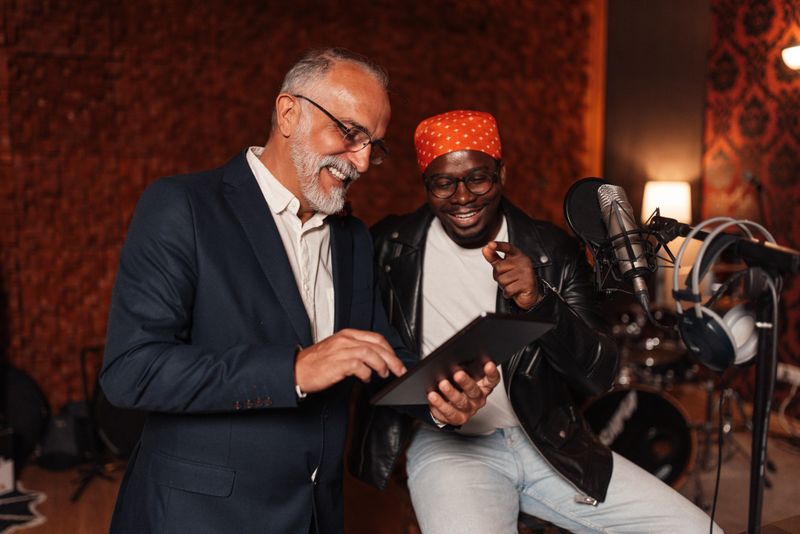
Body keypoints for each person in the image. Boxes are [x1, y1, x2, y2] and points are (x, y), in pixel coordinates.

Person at [100, 51, 498, 534]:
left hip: (315, 515)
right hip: (198, 516)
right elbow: (131, 371)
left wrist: (439, 396)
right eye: (350, 134)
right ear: (289, 113)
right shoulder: (181, 206)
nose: (364, 162)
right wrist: (293, 370)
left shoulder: (352, 237)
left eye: (374, 145)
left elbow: (378, 354)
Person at [349, 110, 722, 533]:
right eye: (443, 182)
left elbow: (598, 375)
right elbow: (367, 358)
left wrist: (540, 300)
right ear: (426, 185)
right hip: (448, 447)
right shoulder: (388, 248)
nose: (462, 196)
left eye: (478, 178)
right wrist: (433, 405)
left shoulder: (550, 250)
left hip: (549, 440)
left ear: (502, 173)